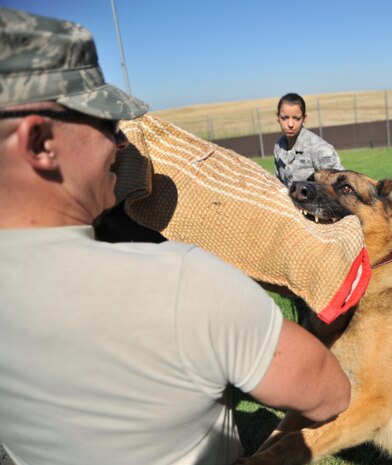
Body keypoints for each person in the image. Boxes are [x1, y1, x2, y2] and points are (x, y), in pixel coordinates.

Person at [0, 8, 350, 465]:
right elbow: (329, 393)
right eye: (108, 124)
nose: (121, 142)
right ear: (40, 142)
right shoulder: (186, 283)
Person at [273, 93, 344, 187]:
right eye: (284, 118)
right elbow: (279, 182)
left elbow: (339, 185)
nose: (290, 124)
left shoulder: (320, 149)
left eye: (296, 118)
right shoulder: (279, 146)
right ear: (278, 117)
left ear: (304, 119)